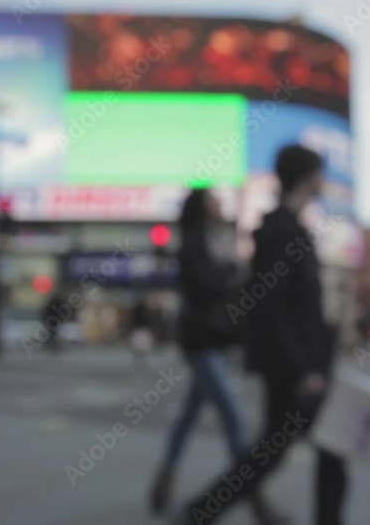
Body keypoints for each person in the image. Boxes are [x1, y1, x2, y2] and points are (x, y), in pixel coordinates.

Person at [178, 145, 348, 525]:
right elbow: (273, 310)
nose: (323, 181)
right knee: (314, 450)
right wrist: (304, 369)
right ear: (307, 177)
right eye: (319, 173)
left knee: (273, 452)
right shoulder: (282, 232)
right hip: (293, 368)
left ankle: (200, 512)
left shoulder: (286, 228)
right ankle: (199, 512)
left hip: (293, 365)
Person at [150, 189, 255, 515]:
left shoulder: (209, 239)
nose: (219, 204)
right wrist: (233, 275)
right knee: (233, 417)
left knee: (189, 416)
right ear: (201, 206)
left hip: (210, 341)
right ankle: (253, 493)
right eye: (212, 199)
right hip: (202, 342)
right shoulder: (194, 244)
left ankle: (163, 479)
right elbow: (207, 287)